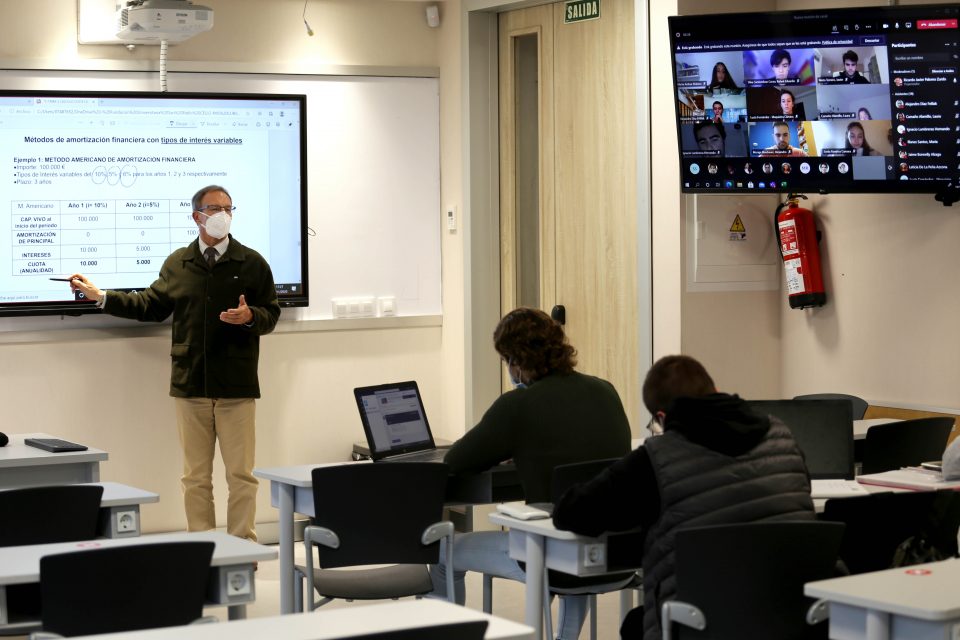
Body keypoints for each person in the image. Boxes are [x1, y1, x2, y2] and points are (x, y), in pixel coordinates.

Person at [68, 185, 281, 542]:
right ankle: (202, 546)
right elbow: (149, 305)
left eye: (229, 208)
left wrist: (250, 316)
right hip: (191, 384)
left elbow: (271, 314)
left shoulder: (253, 263)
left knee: (241, 475)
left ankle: (243, 546)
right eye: (215, 208)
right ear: (197, 216)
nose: (223, 215)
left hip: (236, 384)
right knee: (195, 477)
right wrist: (100, 297)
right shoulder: (178, 263)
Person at [552, 355, 816, 640]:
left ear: (663, 417)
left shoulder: (656, 460)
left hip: (702, 621)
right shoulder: (781, 435)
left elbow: (571, 513)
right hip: (793, 613)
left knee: (635, 625)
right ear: (714, 390)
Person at [430, 307, 631, 640]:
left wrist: (510, 447)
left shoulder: (517, 406)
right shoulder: (605, 390)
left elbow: (457, 461)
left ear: (515, 361)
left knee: (442, 551)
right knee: (570, 539)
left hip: (553, 557)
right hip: (618, 554)